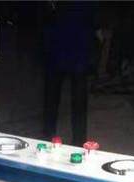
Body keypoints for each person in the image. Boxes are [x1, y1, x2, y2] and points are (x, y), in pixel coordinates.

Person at [41, 2, 97, 147]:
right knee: (60, 91)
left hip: (72, 34)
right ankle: (71, 138)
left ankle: (58, 136)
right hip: (69, 35)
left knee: (65, 92)